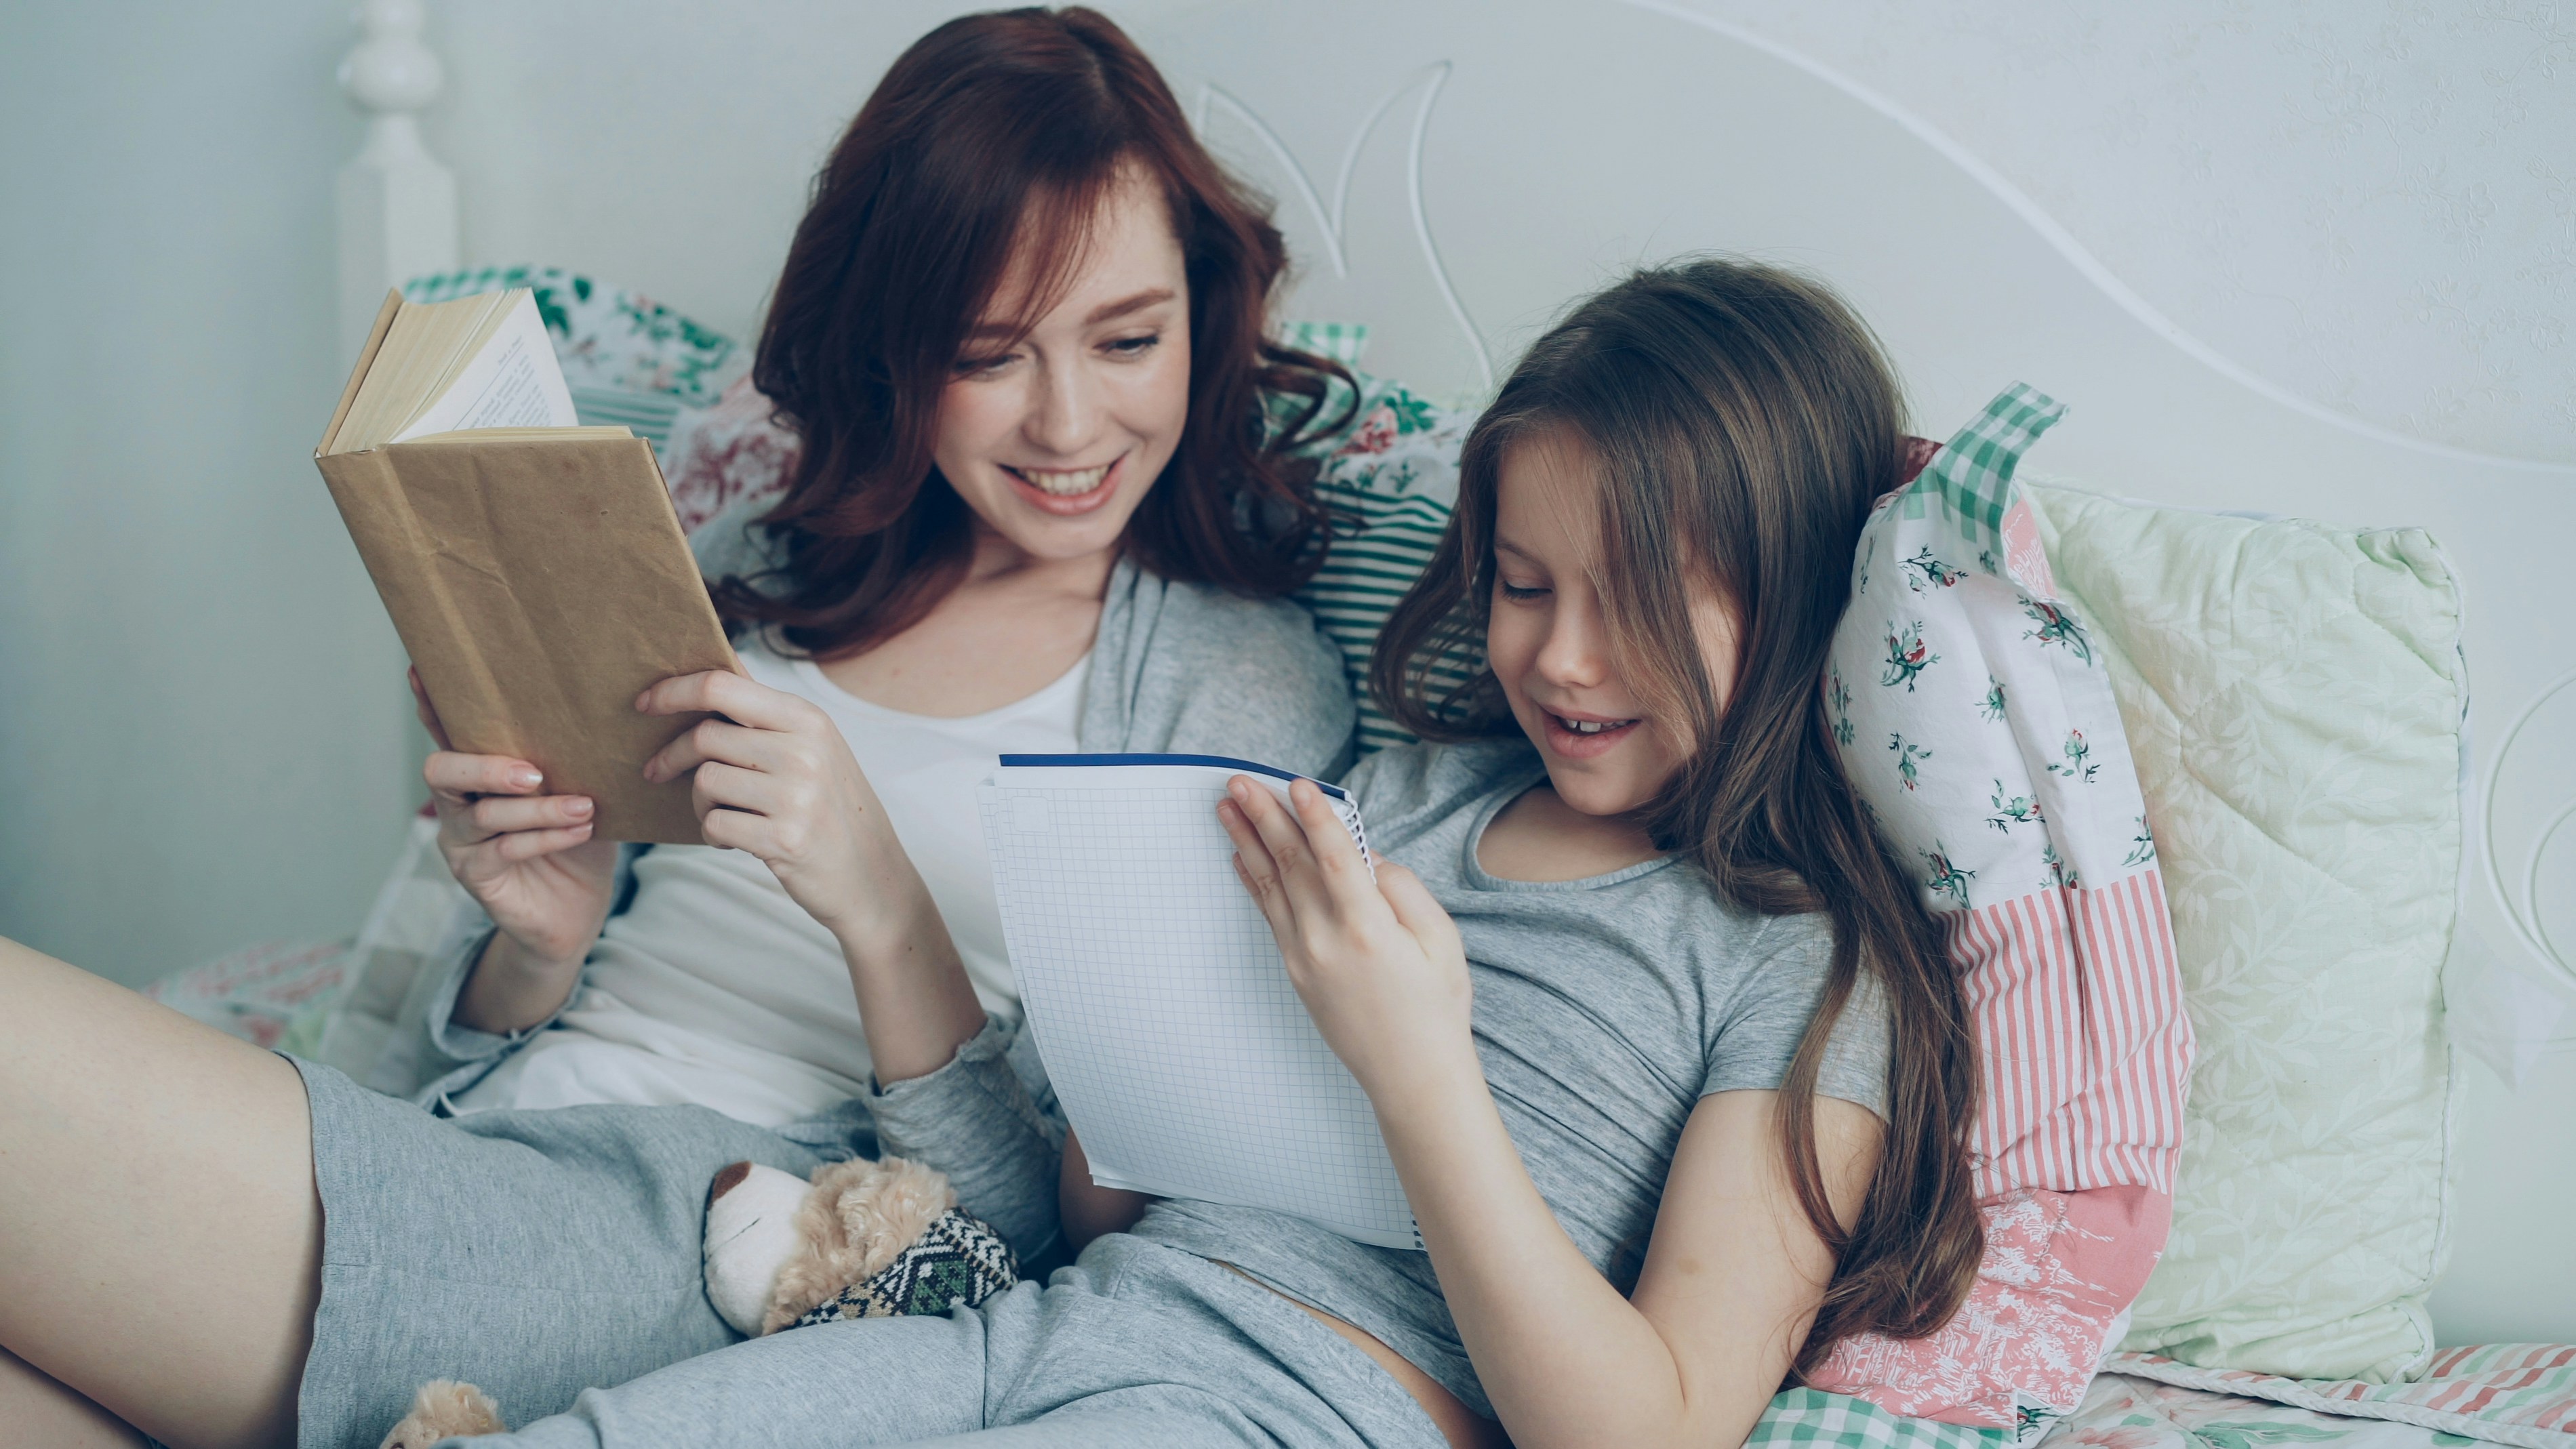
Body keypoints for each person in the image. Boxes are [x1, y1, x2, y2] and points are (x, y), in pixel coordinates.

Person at [0, 258, 1983, 1449]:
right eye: (1527, 585)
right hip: (1035, 1324)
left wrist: (1413, 1066)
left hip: (1280, 1408)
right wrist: (1134, 1103)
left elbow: (1636, 1430)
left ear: (1797, 591)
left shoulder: (1800, 969)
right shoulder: (1418, 801)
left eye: (1636, 598)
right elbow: (1098, 1210)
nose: (1556, 655)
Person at [388, 5, 1376, 1128]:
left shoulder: (1242, 697)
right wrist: (541, 945)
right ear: (888, 357)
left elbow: (1073, 1227)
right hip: (491, 1137)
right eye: (986, 355)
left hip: (746, 1216)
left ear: (1202, 315)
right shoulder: (761, 564)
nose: (1066, 426)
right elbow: (435, 1065)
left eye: (1127, 341)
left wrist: (881, 900)